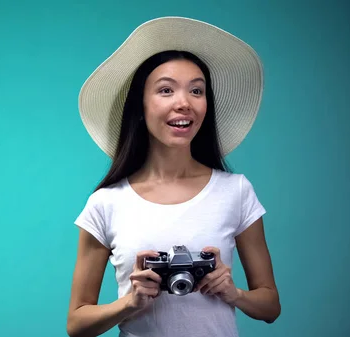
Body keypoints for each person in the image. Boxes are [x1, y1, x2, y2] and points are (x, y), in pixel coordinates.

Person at [66, 17, 281, 337]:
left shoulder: (236, 191)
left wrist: (232, 293)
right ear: (140, 105)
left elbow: (270, 306)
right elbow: (77, 323)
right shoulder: (106, 203)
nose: (184, 103)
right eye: (166, 90)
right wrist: (131, 302)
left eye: (197, 90)